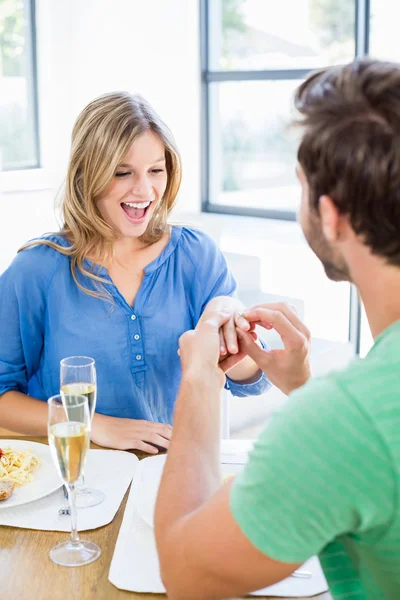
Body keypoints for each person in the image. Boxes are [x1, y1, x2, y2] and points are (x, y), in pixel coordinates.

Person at [154, 58, 400, 599]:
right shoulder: (354, 416)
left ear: (330, 215)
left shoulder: (344, 422)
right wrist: (304, 387)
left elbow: (185, 571)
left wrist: (198, 380)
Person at [0, 92, 270, 451]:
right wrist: (94, 424)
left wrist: (235, 346)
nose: (144, 190)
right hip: (81, 476)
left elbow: (249, 382)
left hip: (175, 472)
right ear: (86, 175)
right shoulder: (37, 269)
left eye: (156, 170)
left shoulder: (195, 255)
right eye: (122, 173)